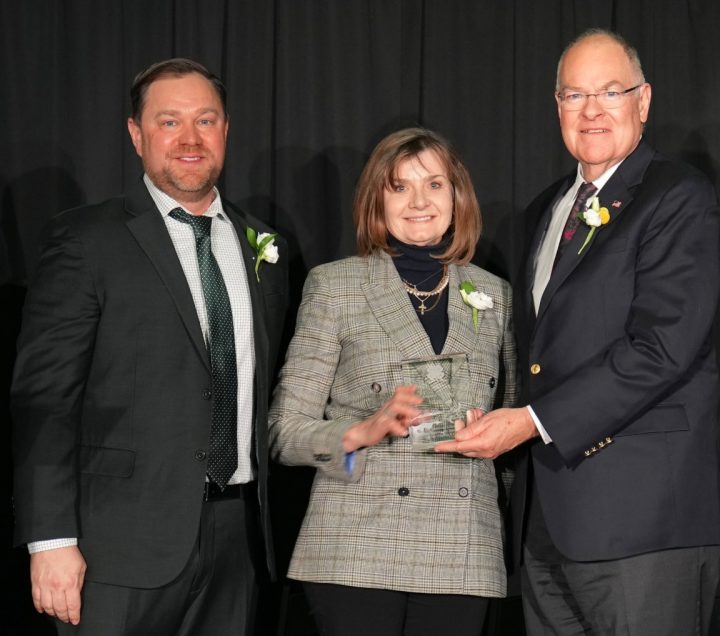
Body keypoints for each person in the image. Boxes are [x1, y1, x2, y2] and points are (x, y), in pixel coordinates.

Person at [436, 29, 720, 635]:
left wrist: (532, 422)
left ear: (643, 102)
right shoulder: (545, 209)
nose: (591, 111)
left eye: (610, 92)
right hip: (547, 521)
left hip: (642, 523)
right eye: (574, 95)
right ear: (557, 106)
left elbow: (661, 349)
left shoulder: (678, 197)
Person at [11, 58, 288, 635]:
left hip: (236, 543)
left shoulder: (261, 244)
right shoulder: (86, 240)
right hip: (116, 549)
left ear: (226, 130)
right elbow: (45, 401)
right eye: (169, 122)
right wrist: (51, 539)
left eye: (205, 121)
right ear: (136, 135)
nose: (190, 139)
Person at [268, 127, 517, 636]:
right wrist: (358, 434)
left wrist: (490, 436)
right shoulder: (335, 286)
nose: (419, 201)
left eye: (434, 185)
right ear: (376, 200)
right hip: (356, 546)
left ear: (457, 196)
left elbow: (510, 429)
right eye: (399, 187)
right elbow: (283, 431)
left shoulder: (495, 295)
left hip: (463, 550)